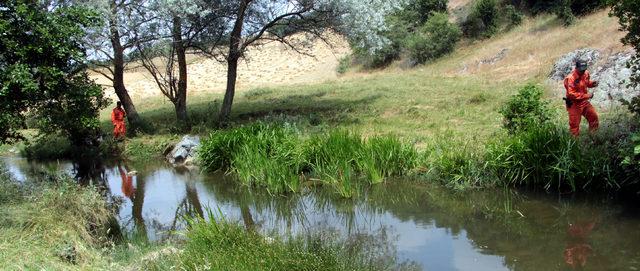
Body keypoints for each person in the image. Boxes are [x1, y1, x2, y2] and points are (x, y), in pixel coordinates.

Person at [563, 60, 599, 137]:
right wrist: (587, 96)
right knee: (574, 125)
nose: (583, 71)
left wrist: (592, 84)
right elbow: (572, 94)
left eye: (584, 69)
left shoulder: (586, 73)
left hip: (584, 102)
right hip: (574, 104)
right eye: (581, 69)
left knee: (594, 118)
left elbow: (586, 83)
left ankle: (594, 137)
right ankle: (575, 144)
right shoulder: (570, 78)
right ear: (576, 68)